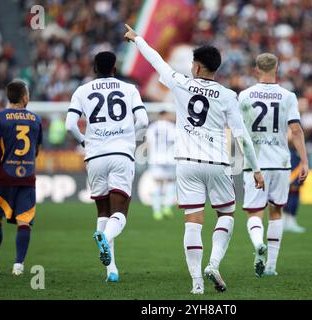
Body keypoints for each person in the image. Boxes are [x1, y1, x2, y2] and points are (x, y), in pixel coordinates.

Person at [124, 24, 264, 294]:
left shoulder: (181, 83)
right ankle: (213, 263)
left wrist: (137, 39)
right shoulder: (228, 96)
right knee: (226, 214)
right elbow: (242, 135)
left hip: (186, 163)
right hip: (218, 164)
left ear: (198, 67)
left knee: (193, 220)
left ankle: (196, 283)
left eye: (192, 63)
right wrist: (255, 169)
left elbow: (156, 60)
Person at [65, 51, 148, 282]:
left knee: (103, 212)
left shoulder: (82, 91)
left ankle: (111, 271)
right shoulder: (129, 89)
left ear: (94, 68)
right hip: (120, 153)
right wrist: (130, 140)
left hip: (95, 156)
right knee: (119, 214)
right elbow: (143, 121)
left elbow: (70, 124)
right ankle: (104, 238)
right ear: (115, 67)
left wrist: (85, 141)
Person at [239, 53, 309, 277]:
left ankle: (258, 243)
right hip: (280, 162)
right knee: (276, 210)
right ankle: (271, 266)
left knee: (254, 212)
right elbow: (296, 130)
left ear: (256, 70)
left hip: (255, 163)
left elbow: (237, 132)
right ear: (277, 68)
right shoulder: (288, 96)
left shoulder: (245, 95)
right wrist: (305, 161)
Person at [0, 80, 43, 276]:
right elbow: (36, 150)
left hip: (2, 176)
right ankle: (18, 266)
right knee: (24, 221)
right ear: (24, 96)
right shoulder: (35, 119)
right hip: (26, 177)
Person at [146, 110, 176, 220]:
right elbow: (175, 142)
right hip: (169, 158)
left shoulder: (152, 127)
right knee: (170, 182)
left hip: (155, 158)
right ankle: (167, 206)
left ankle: (157, 211)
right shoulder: (172, 126)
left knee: (157, 184)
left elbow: (149, 143)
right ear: (164, 115)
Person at [282, 141, 307, 233]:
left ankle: (289, 221)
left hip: (293, 173)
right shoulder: (290, 152)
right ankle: (288, 221)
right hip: (289, 176)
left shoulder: (296, 153)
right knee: (290, 196)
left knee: (294, 195)